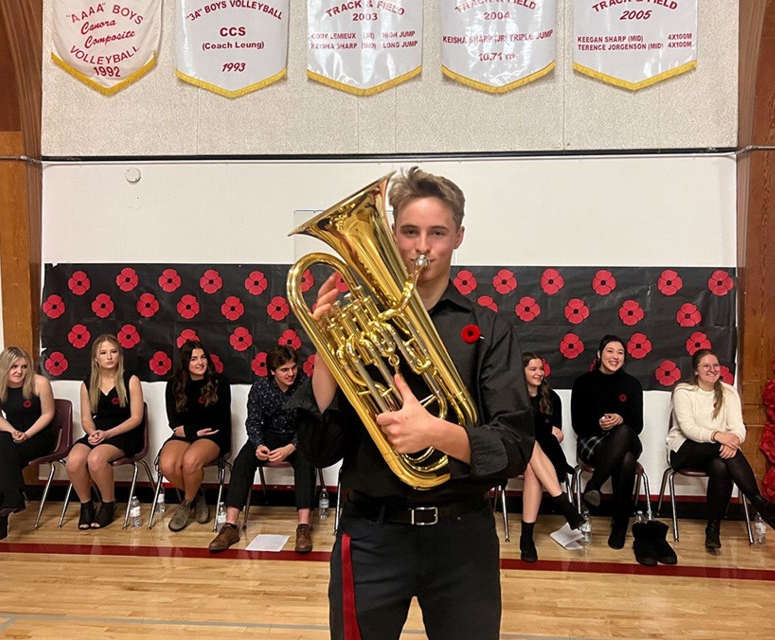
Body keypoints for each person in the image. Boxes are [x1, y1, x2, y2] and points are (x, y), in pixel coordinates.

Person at [289, 167, 533, 640]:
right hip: (371, 535)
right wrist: (324, 354)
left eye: (437, 233)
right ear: (391, 235)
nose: (423, 246)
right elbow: (319, 452)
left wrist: (435, 434)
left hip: (462, 538)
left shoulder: (489, 330)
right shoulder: (358, 326)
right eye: (409, 231)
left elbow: (515, 447)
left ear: (458, 237)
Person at [668, 348, 775, 549]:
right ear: (696, 370)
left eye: (715, 365)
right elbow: (688, 429)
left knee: (721, 467)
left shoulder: (728, 392)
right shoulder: (683, 391)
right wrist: (719, 436)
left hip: (718, 451)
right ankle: (760, 504)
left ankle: (713, 530)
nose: (712, 369)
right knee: (721, 453)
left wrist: (733, 440)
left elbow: (738, 427)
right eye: (706, 366)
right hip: (684, 449)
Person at [208, 345, 316, 553]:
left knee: (306, 461)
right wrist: (258, 445)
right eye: (285, 370)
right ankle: (230, 526)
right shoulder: (260, 388)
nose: (291, 373)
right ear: (272, 371)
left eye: (293, 368)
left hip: (297, 437)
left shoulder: (305, 386)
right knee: (243, 461)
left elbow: (309, 424)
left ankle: (303, 526)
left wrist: (290, 447)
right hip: (268, 436)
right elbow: (253, 422)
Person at [570, 334, 644, 550]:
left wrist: (621, 420)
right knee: (626, 459)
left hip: (627, 438)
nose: (615, 356)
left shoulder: (632, 384)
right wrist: (599, 425)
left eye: (620, 353)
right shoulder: (583, 383)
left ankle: (594, 485)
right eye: (610, 351)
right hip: (592, 440)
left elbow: (637, 426)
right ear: (600, 354)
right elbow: (578, 425)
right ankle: (620, 525)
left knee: (623, 431)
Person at [66, 334, 145, 530]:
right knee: (74, 461)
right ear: (96, 358)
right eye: (103, 353)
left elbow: (136, 418)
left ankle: (108, 503)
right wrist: (93, 432)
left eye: (113, 352)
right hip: (99, 432)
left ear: (120, 355)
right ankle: (86, 505)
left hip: (126, 433)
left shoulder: (131, 379)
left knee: (96, 459)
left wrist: (108, 434)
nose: (109, 357)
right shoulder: (87, 383)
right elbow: (86, 418)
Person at [0, 346, 57, 541]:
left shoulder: (40, 383)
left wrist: (27, 434)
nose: (19, 372)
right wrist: (13, 431)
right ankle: (12, 496)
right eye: (14, 367)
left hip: (38, 435)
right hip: (11, 433)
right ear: (3, 367)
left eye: (24, 367)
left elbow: (48, 414)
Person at [519, 352, 585, 562]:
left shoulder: (552, 397)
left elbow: (555, 434)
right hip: (516, 455)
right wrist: (544, 431)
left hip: (547, 459)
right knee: (530, 444)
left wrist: (543, 432)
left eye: (541, 369)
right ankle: (565, 505)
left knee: (533, 468)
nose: (539, 373)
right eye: (533, 369)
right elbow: (517, 433)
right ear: (521, 372)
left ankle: (526, 538)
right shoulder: (513, 397)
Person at [160, 340, 232, 532]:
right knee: (166, 464)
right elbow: (174, 423)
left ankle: (185, 504)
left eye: (203, 357)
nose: (200, 363)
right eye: (193, 359)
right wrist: (191, 431)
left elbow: (217, 419)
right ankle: (197, 495)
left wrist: (189, 429)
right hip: (187, 435)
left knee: (191, 461)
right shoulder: (173, 384)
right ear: (185, 363)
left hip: (214, 435)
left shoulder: (219, 382)